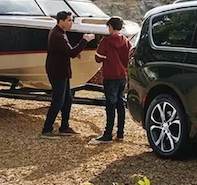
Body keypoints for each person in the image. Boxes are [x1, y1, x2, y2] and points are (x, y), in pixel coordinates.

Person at [41, 11, 95, 139]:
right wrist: (84, 40)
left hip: (62, 70)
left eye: (72, 20)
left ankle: (64, 127)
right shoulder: (57, 35)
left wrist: (75, 52)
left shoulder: (60, 33)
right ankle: (46, 129)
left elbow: (66, 50)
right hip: (57, 71)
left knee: (68, 99)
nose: (71, 23)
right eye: (69, 20)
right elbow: (70, 52)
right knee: (58, 100)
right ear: (61, 21)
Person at [90, 16, 133, 144]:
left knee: (110, 105)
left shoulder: (106, 41)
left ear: (110, 27)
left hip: (110, 76)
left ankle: (108, 134)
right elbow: (129, 57)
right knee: (120, 103)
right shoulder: (126, 41)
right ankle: (120, 133)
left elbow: (98, 58)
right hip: (122, 76)